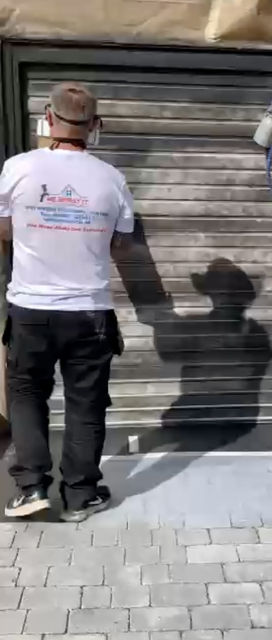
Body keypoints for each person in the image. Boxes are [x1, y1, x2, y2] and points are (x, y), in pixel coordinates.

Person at [0, 82, 134, 521]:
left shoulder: (17, 167)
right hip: (89, 311)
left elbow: (3, 229)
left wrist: (36, 229)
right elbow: (121, 245)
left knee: (26, 394)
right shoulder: (112, 178)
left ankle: (31, 488)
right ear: (95, 125)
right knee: (86, 403)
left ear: (47, 118)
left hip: (30, 309)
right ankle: (79, 495)